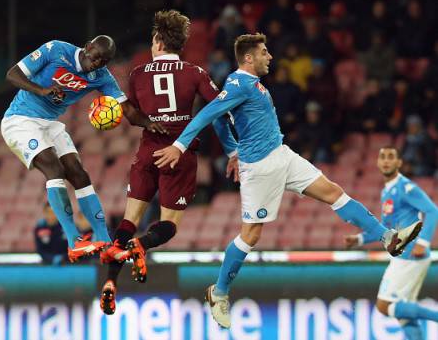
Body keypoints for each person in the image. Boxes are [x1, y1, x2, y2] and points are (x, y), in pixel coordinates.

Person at [153, 33, 422, 328]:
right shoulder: (238, 83)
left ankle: (387, 238)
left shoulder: (251, 84)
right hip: (260, 169)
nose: (270, 57)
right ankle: (219, 292)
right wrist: (180, 146)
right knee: (250, 236)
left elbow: (221, 117)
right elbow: (209, 113)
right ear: (249, 58)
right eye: (264, 52)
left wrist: (232, 149)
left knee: (334, 192)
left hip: (282, 154)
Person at [2, 35, 165, 263]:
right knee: (55, 170)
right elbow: (12, 75)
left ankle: (103, 239)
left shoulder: (101, 77)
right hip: (20, 120)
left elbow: (126, 109)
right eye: (96, 56)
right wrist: (43, 90)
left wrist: (149, 123)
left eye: (104, 61)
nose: (97, 63)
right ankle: (73, 241)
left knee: (79, 174)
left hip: (50, 124)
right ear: (88, 47)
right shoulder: (56, 50)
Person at [98, 10, 220, 315]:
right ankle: (142, 245)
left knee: (127, 222)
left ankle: (111, 282)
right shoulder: (195, 73)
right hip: (178, 155)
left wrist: (150, 122)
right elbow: (218, 106)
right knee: (168, 224)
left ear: (157, 40)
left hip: (148, 153)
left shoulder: (138, 74)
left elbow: (130, 113)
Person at [345, 146, 438, 340]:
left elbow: (432, 210)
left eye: (391, 157)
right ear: (378, 163)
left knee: (384, 306)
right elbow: (386, 230)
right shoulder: (387, 192)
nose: (386, 160)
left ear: (399, 163)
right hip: (404, 254)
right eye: (383, 157)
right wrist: (360, 239)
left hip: (411, 253)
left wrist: (423, 242)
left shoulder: (405, 187)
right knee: (403, 314)